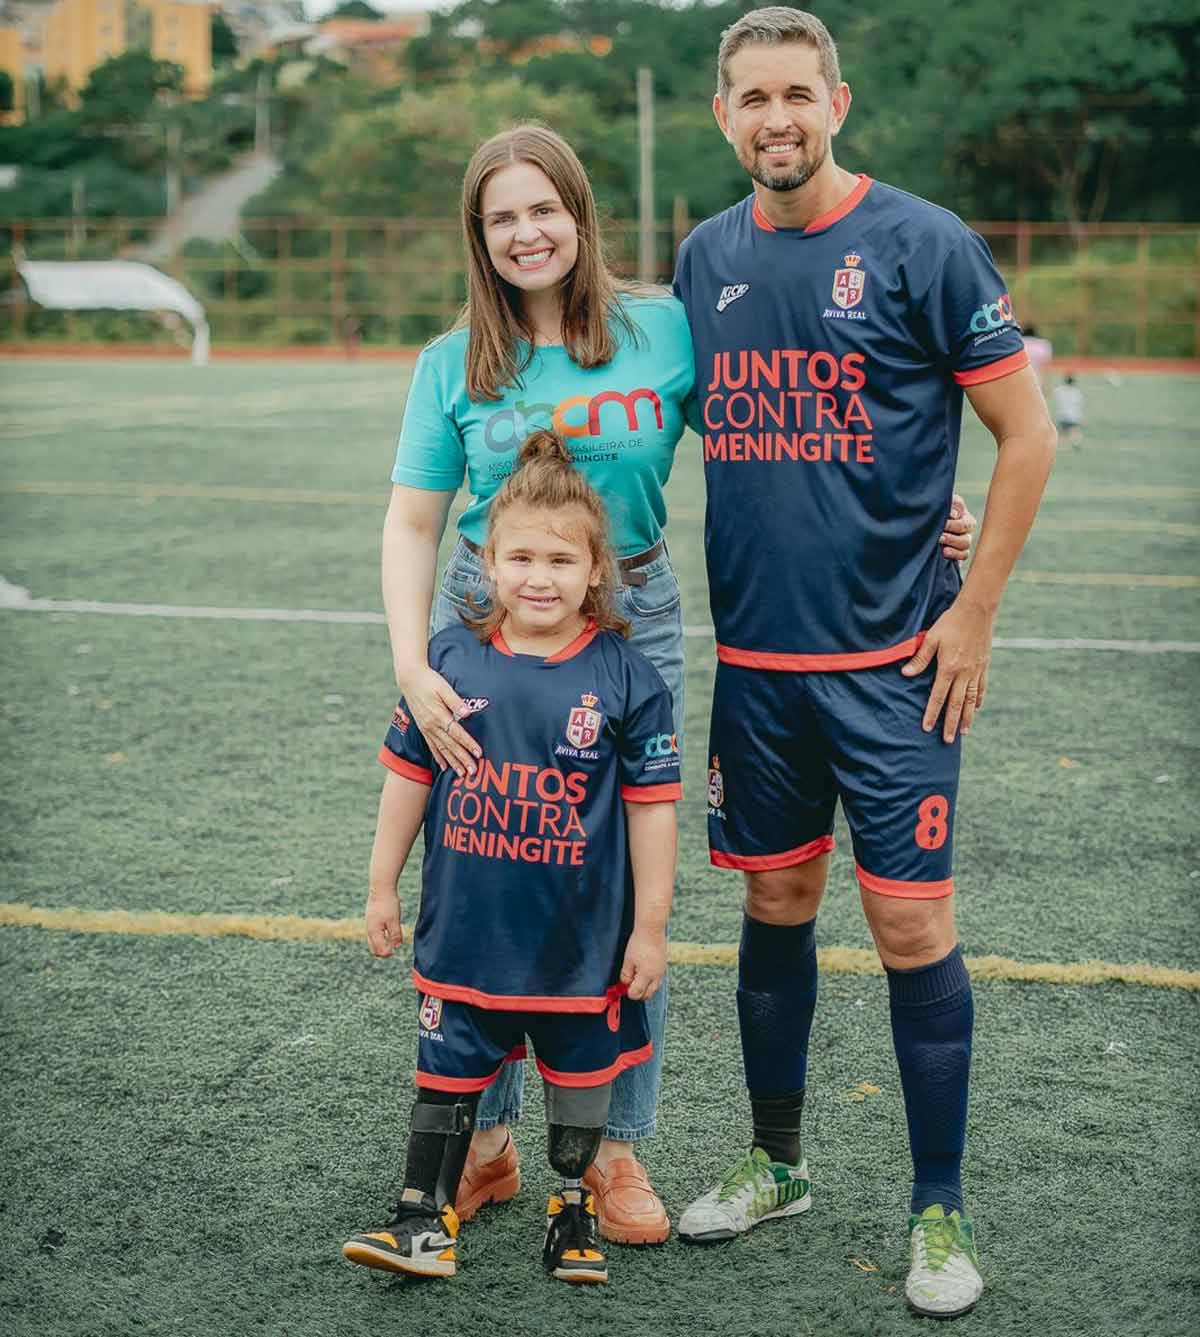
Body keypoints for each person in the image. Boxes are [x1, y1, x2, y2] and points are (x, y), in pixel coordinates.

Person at [380, 123, 975, 1246]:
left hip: (631, 606)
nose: (526, 233)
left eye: (543, 209)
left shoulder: (662, 326)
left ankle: (611, 1145)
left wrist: (927, 510)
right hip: (482, 610)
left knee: (610, 868)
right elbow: (414, 518)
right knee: (494, 859)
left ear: (579, 215)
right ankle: (489, 1143)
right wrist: (414, 662)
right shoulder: (451, 361)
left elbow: (792, 427)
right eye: (501, 217)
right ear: (479, 236)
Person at [671, 8, 1056, 1321]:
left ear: (837, 103)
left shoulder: (922, 241)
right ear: (724, 116)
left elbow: (1026, 434)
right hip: (760, 672)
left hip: (896, 665)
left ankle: (937, 1208)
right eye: (752, 97)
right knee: (773, 906)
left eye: (798, 92)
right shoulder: (702, 258)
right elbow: (652, 427)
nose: (776, 116)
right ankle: (778, 1159)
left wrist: (977, 611)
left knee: (908, 923)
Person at [343, 430, 681, 1285]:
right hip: (465, 935)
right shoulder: (447, 662)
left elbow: (652, 815)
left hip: (577, 949)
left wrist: (650, 928)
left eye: (562, 560)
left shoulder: (628, 678)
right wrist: (382, 883)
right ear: (486, 566)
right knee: (446, 1072)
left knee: (580, 1082)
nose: (540, 576)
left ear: (597, 572)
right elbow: (408, 782)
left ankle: (573, 1212)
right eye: (520, 556)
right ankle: (424, 1217)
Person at [1051, 373, 1084, 448]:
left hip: (1063, 416)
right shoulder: (1077, 392)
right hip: (1074, 416)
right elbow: (1079, 404)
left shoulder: (1060, 390)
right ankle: (1076, 444)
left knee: (1062, 434)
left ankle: (1062, 447)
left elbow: (1053, 393)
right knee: (1075, 433)